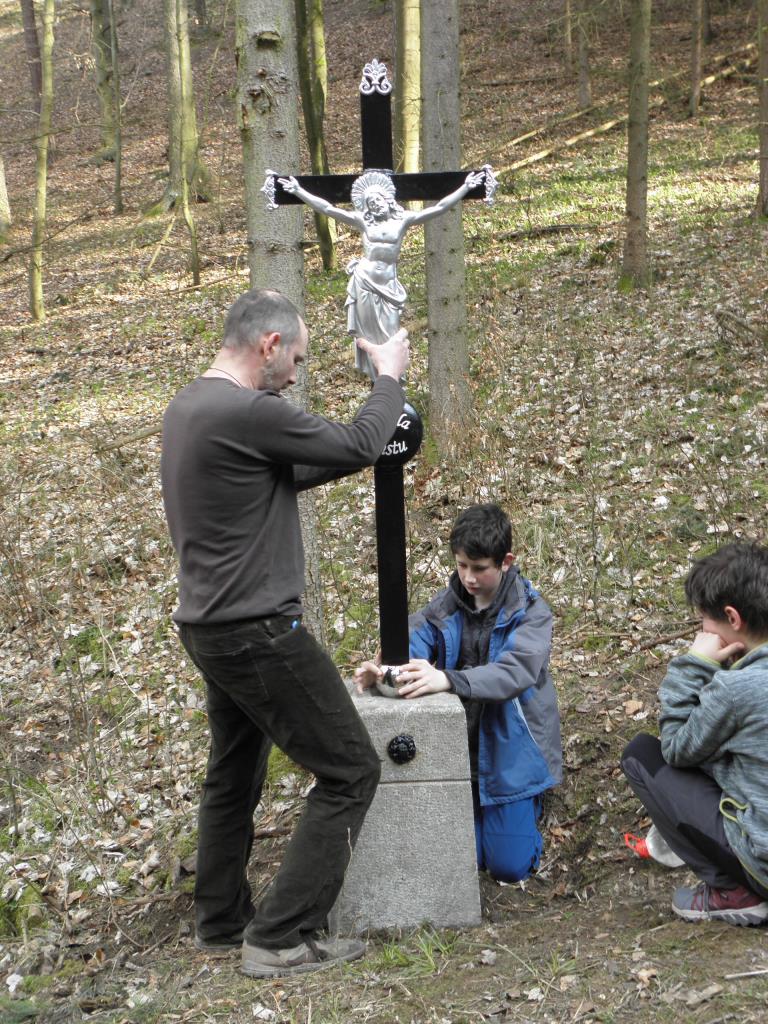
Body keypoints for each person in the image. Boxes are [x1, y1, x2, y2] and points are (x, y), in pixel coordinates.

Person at [161, 288, 410, 977]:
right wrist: (389, 374)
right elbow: (359, 440)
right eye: (295, 358)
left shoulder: (191, 407)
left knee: (234, 773)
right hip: (258, 631)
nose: (296, 374)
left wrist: (366, 452)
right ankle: (279, 937)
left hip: (209, 628)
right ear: (268, 345)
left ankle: (219, 918)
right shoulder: (248, 410)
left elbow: (285, 473)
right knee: (350, 768)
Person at [354, 504, 562, 883]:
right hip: (457, 753)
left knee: (507, 868)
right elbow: (414, 640)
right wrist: (385, 673)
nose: (467, 577)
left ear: (506, 562)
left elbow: (513, 672)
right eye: (461, 565)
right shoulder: (448, 602)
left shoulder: (532, 612)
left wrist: (448, 679)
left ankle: (527, 804)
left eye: (479, 568)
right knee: (460, 858)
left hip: (511, 754)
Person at [621, 542, 768, 927]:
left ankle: (731, 891)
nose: (703, 629)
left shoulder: (737, 691)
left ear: (732, 618)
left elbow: (676, 748)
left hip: (763, 864)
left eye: (704, 620)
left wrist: (695, 664)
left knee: (641, 755)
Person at [278, 169, 484, 378]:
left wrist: (465, 187)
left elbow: (439, 207)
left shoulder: (403, 219)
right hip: (365, 282)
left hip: (388, 287)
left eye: (377, 199)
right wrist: (298, 191)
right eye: (370, 202)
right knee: (370, 340)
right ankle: (378, 384)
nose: (374, 204)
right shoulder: (364, 221)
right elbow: (328, 209)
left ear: (387, 199)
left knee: (390, 337)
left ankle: (393, 382)